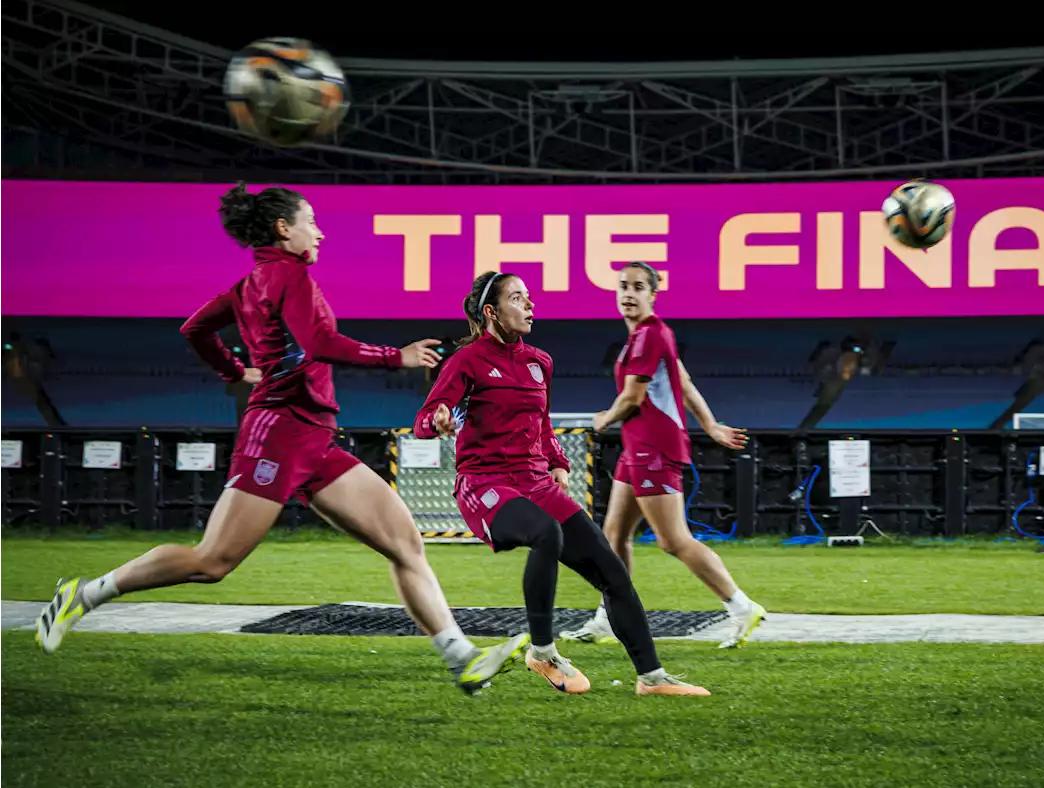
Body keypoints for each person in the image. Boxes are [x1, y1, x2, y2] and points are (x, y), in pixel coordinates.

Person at [34, 183, 529, 694]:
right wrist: (393, 357)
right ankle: (83, 594)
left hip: (311, 436)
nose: (320, 230)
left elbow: (194, 330)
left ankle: (462, 659)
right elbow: (318, 342)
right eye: (310, 221)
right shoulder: (290, 275)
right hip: (278, 434)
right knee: (213, 561)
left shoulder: (250, 285)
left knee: (404, 542)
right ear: (283, 229)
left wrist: (234, 369)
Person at [413, 270, 709, 697]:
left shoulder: (539, 361)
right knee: (545, 532)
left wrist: (557, 462)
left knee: (614, 573)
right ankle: (543, 652)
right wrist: (437, 420)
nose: (530, 305)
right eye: (518, 298)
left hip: (536, 483)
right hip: (484, 485)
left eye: (529, 297)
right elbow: (426, 416)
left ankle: (652, 678)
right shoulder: (467, 361)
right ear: (492, 312)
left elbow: (543, 424)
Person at [560, 262, 766, 648]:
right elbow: (683, 382)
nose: (628, 293)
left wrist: (604, 418)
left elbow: (632, 398)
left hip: (655, 448)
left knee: (673, 541)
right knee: (614, 537)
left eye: (638, 287)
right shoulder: (643, 337)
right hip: (637, 447)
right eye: (623, 286)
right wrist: (711, 425)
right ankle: (609, 617)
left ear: (652, 295)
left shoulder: (651, 334)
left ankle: (741, 606)